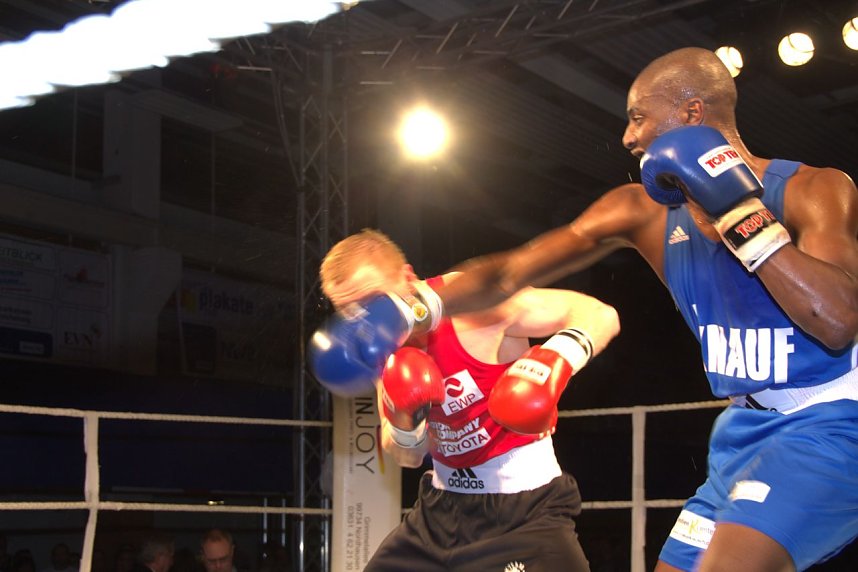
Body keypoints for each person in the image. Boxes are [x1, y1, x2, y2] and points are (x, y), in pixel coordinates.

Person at [379, 47, 858, 571]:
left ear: (691, 115)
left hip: (833, 422)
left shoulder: (814, 189)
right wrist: (416, 306)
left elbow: (836, 322)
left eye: (638, 117)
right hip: (743, 432)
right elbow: (508, 273)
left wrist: (737, 212)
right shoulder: (642, 212)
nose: (629, 137)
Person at [317, 229, 621, 571]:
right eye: (349, 313)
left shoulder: (468, 303)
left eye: (371, 303)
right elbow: (406, 455)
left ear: (407, 279)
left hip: (524, 514)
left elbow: (600, 315)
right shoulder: (373, 343)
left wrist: (552, 360)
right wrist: (404, 418)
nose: (365, 322)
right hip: (437, 513)